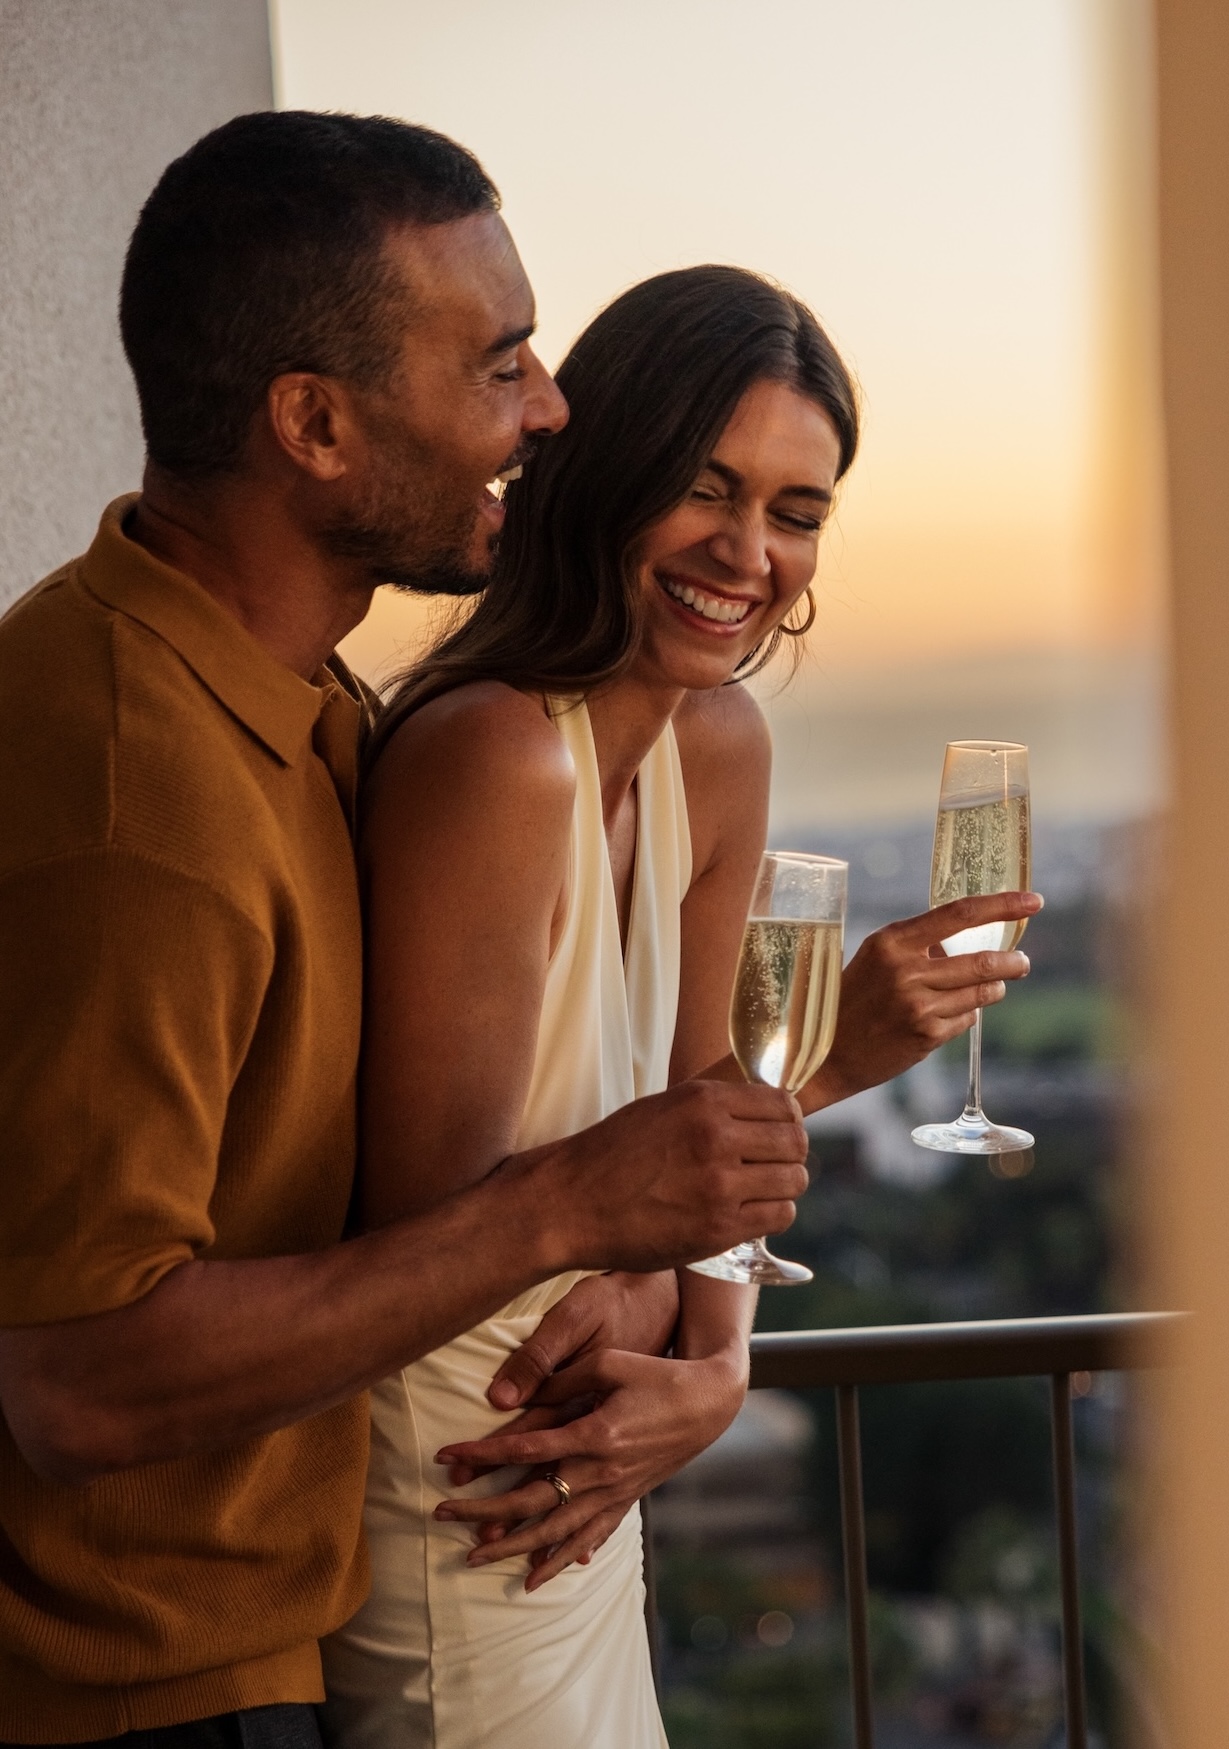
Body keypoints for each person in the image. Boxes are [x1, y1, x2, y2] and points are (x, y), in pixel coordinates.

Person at [0, 117, 812, 1748]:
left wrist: (663, 1281)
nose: (549, 409)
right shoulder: (135, 793)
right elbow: (77, 1381)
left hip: (278, 1633)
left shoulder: (287, 702)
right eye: (498, 365)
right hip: (152, 1688)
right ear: (314, 422)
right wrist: (573, 1208)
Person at [319, 266, 1041, 1747]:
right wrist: (830, 1066)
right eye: (705, 488)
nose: (747, 552)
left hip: (607, 1460)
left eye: (794, 510)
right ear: (602, 472)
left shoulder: (718, 743)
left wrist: (716, 1363)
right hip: (480, 1486)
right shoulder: (492, 758)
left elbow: (708, 1092)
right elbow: (434, 1244)